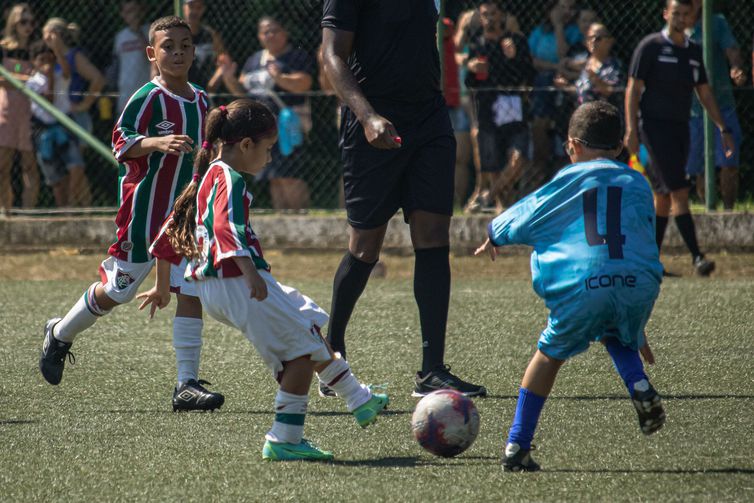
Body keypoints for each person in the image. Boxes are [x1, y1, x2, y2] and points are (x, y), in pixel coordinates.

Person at [138, 99, 389, 461]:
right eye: (268, 149)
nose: (269, 158)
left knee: (306, 320)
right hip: (237, 282)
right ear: (245, 145)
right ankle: (285, 438)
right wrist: (250, 273)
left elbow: (168, 232)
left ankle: (359, 399)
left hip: (218, 286)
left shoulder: (207, 174)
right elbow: (227, 228)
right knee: (299, 357)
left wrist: (164, 284)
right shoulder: (230, 178)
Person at [38, 16, 224, 413]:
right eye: (168, 46)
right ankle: (59, 332)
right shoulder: (147, 97)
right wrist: (155, 141)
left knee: (191, 290)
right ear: (151, 54)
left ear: (193, 51)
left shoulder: (203, 100)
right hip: (144, 217)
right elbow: (121, 142)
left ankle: (186, 384)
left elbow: (207, 154)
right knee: (118, 292)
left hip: (185, 218)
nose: (177, 52)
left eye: (185, 45)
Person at [475, 101, 666, 472]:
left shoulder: (567, 178)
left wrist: (494, 234)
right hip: (639, 282)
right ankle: (638, 383)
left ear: (573, 145)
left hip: (585, 284)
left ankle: (517, 444)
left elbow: (527, 212)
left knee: (549, 354)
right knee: (617, 331)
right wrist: (637, 320)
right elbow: (642, 238)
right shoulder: (638, 183)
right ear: (618, 146)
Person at [321, 0, 486, 397]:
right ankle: (330, 358)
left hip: (429, 118)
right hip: (372, 120)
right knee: (365, 247)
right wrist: (366, 116)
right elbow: (331, 56)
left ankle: (432, 370)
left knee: (433, 235)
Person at [624, 0, 734, 277]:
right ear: (665, 14)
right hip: (652, 129)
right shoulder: (650, 47)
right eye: (676, 13)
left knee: (662, 197)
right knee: (679, 192)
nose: (680, 18)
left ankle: (649, 262)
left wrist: (722, 127)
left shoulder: (694, 52)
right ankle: (697, 258)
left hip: (680, 128)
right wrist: (631, 131)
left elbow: (705, 92)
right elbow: (633, 90)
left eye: (685, 14)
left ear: (691, 17)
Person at [218, 16, 313, 210]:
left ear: (285, 32)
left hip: (287, 128)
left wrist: (279, 77)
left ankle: (301, 220)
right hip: (261, 130)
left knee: (290, 176)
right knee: (274, 178)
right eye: (265, 31)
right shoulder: (254, 60)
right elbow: (242, 92)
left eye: (274, 30)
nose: (270, 35)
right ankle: (285, 227)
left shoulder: (296, 57)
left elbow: (304, 84)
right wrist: (228, 77)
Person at [465, 0, 535, 210]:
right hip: (487, 109)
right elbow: (470, 83)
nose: (489, 19)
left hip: (514, 107)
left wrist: (513, 58)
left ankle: (488, 195)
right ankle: (499, 205)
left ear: (502, 16)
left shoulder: (516, 41)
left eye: (493, 14)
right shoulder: (477, 45)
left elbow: (529, 75)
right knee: (492, 163)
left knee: (518, 158)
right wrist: (472, 68)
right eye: (485, 14)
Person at [684, 0, 746, 210]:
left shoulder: (717, 23)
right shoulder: (677, 28)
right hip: (693, 111)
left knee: (729, 163)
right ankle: (708, 209)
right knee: (700, 168)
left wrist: (736, 67)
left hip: (722, 104)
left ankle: (728, 212)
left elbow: (732, 51)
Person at [42, 17, 104, 207]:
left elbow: (97, 79)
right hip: (61, 119)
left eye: (46, 34)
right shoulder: (51, 59)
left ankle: (73, 209)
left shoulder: (73, 56)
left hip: (76, 118)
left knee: (76, 169)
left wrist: (85, 104)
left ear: (57, 35)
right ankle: (83, 210)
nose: (44, 39)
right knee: (74, 170)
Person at [528, 0, 582, 183]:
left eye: (571, 8)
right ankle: (540, 167)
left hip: (565, 82)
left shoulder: (574, 32)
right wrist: (553, 66)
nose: (567, 12)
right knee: (539, 126)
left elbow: (563, 54)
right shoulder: (539, 32)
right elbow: (532, 60)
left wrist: (559, 26)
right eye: (562, 7)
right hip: (543, 83)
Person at [26, 40, 83, 207]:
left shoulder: (60, 76)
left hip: (64, 127)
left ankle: (71, 205)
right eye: (42, 60)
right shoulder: (32, 83)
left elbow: (66, 71)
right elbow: (49, 101)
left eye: (49, 60)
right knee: (56, 178)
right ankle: (62, 210)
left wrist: (57, 51)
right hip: (43, 131)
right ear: (34, 62)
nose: (47, 64)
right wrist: (49, 77)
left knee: (76, 167)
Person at [0, 3, 39, 213]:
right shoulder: (3, 46)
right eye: (24, 21)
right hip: (5, 112)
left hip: (30, 114)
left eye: (32, 22)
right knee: (2, 167)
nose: (28, 26)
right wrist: (27, 79)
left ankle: (28, 214)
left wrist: (20, 79)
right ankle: (5, 213)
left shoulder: (36, 48)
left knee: (29, 166)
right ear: (14, 23)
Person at [111, 0, 152, 115]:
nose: (133, 15)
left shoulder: (149, 31)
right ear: (123, 15)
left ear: (141, 12)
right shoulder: (120, 36)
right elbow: (117, 64)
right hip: (125, 92)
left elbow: (152, 56)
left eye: (134, 10)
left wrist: (137, 31)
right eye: (128, 12)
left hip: (145, 90)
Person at [574, 23, 624, 109]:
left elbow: (611, 92)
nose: (593, 41)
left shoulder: (615, 65)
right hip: (583, 116)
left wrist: (594, 77)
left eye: (598, 38)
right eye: (589, 38)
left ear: (609, 41)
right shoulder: (582, 62)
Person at [183, 0, 225, 93]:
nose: (194, 11)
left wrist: (213, 83)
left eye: (198, 7)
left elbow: (224, 60)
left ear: (203, 10)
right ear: (184, 7)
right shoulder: (176, 34)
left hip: (205, 92)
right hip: (181, 89)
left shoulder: (210, 34)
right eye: (191, 6)